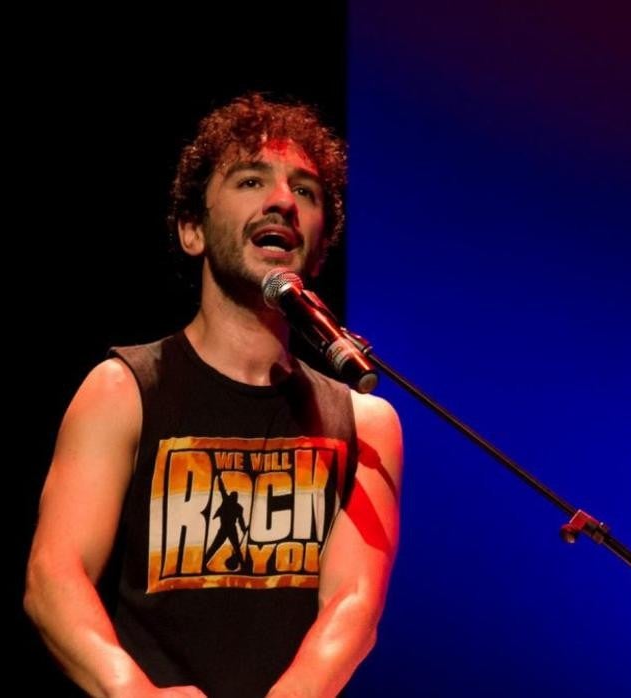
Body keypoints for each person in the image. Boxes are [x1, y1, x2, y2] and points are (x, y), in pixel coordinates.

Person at [25, 93, 403, 698]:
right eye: (251, 180)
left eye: (305, 192)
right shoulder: (124, 389)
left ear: (318, 243)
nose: (282, 199)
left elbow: (353, 607)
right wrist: (131, 690)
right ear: (193, 230)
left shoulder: (364, 421)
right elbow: (54, 577)